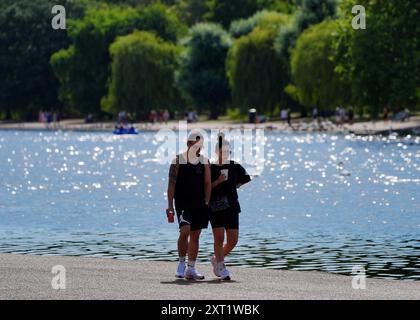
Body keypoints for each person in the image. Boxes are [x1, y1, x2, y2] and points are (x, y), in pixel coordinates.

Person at [166, 131, 212, 280]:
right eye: (195, 144)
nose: (197, 147)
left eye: (200, 144)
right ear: (188, 144)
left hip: (199, 203)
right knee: (185, 230)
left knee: (196, 235)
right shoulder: (177, 160)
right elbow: (171, 184)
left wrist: (206, 201)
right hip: (182, 202)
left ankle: (191, 268)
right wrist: (170, 206)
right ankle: (181, 263)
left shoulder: (204, 161)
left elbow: (207, 183)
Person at [209, 135, 251, 280]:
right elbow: (205, 187)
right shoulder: (211, 168)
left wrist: (234, 185)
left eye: (228, 151)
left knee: (233, 240)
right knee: (219, 238)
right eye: (223, 151)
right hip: (215, 207)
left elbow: (246, 178)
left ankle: (216, 259)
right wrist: (218, 181)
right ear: (216, 151)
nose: (226, 154)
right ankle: (221, 267)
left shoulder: (235, 166)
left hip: (232, 206)